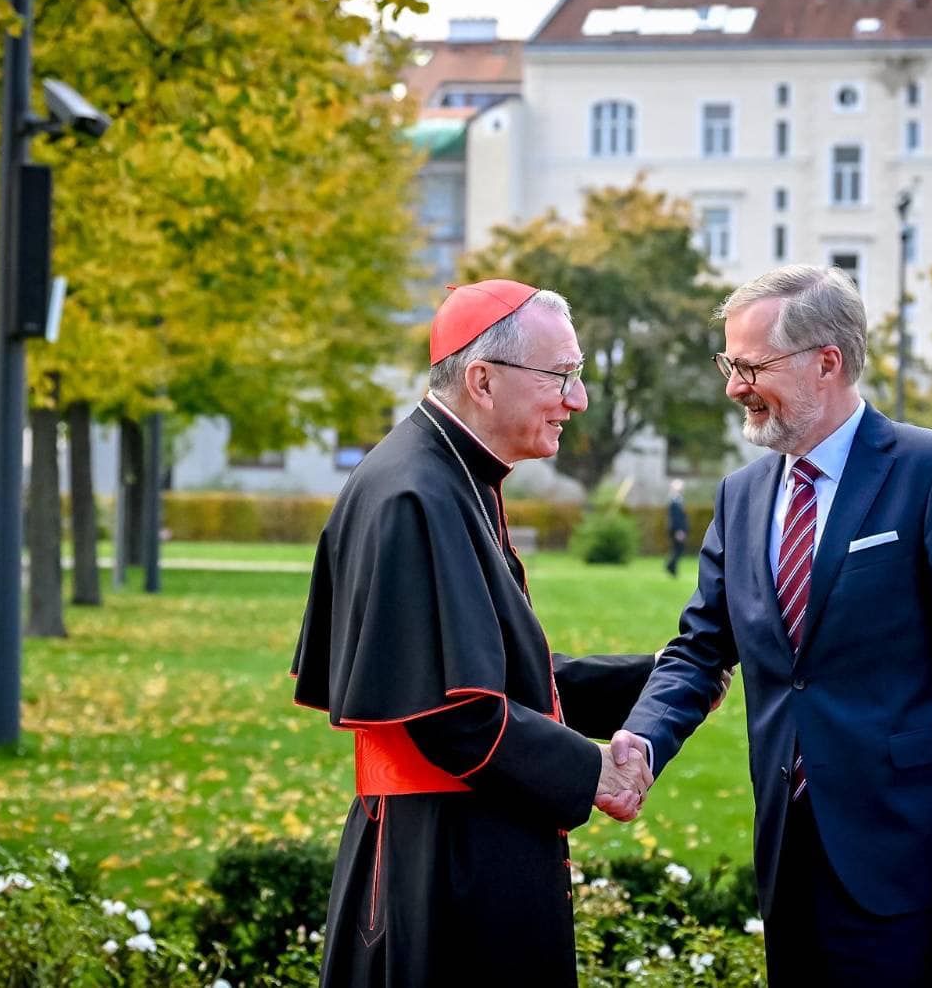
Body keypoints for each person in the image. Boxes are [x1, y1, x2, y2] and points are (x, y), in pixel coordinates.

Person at [611, 265, 932, 986]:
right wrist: (642, 741)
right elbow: (697, 650)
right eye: (729, 363)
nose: (733, 386)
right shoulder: (740, 495)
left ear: (827, 362)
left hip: (910, 864)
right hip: (789, 857)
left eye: (749, 366)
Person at [293, 280, 686, 986]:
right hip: (445, 871)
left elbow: (487, 671)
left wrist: (654, 674)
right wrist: (592, 772)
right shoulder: (414, 492)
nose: (578, 399)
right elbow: (452, 714)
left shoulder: (452, 475)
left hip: (461, 845)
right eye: (562, 376)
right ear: (482, 379)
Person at [664, 478, 689, 577]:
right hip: (677, 530)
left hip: (678, 530)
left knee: (676, 549)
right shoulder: (674, 501)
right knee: (678, 549)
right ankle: (671, 567)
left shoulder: (677, 500)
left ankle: (672, 568)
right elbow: (676, 518)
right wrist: (679, 531)